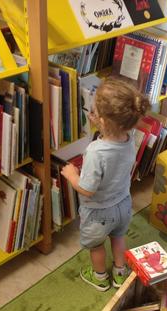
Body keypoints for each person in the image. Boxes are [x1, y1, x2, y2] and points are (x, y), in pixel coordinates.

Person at [61, 77, 150, 291]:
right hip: (123, 205)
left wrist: (72, 176)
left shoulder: (96, 151)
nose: (90, 114)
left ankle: (99, 277)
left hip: (99, 213)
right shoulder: (129, 137)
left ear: (101, 121)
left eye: (92, 111)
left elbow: (88, 189)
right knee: (118, 237)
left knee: (97, 245)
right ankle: (120, 274)